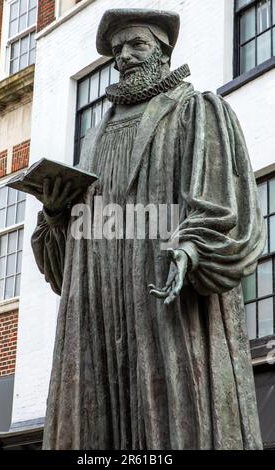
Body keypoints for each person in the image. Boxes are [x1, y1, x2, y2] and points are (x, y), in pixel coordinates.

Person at [31, 9, 265, 449]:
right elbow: (65, 271)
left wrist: (191, 248)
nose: (124, 56)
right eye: (117, 49)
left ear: (162, 50)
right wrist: (57, 214)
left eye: (136, 44)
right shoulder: (95, 138)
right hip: (98, 317)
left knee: (177, 422)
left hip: (163, 305)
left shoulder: (196, 110)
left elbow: (222, 202)